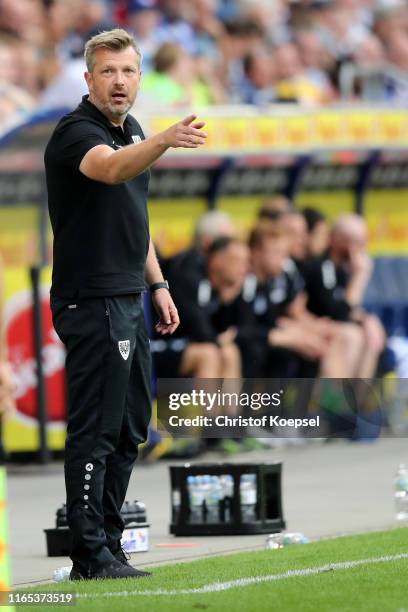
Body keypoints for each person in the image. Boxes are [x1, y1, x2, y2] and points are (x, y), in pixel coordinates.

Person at [44, 28, 207, 581]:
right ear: (89, 79)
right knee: (95, 428)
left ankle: (109, 546)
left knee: (131, 426)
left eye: (129, 71)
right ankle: (87, 554)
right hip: (91, 300)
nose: (120, 81)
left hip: (128, 297)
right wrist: (163, 139)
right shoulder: (75, 133)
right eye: (109, 71)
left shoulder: (131, 129)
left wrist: (158, 285)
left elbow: (134, 221)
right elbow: (110, 170)